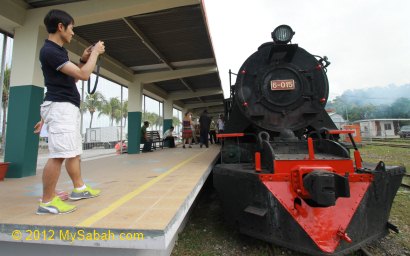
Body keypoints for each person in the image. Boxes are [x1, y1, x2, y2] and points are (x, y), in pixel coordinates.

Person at [33, 9, 104, 215]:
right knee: (58, 155)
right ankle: (47, 202)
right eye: (71, 28)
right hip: (61, 107)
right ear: (61, 27)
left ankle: (79, 189)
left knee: (72, 151)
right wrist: (96, 53)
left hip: (65, 107)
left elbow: (71, 78)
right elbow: (83, 75)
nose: (73, 33)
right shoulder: (50, 51)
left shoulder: (59, 52)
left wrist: (83, 59)